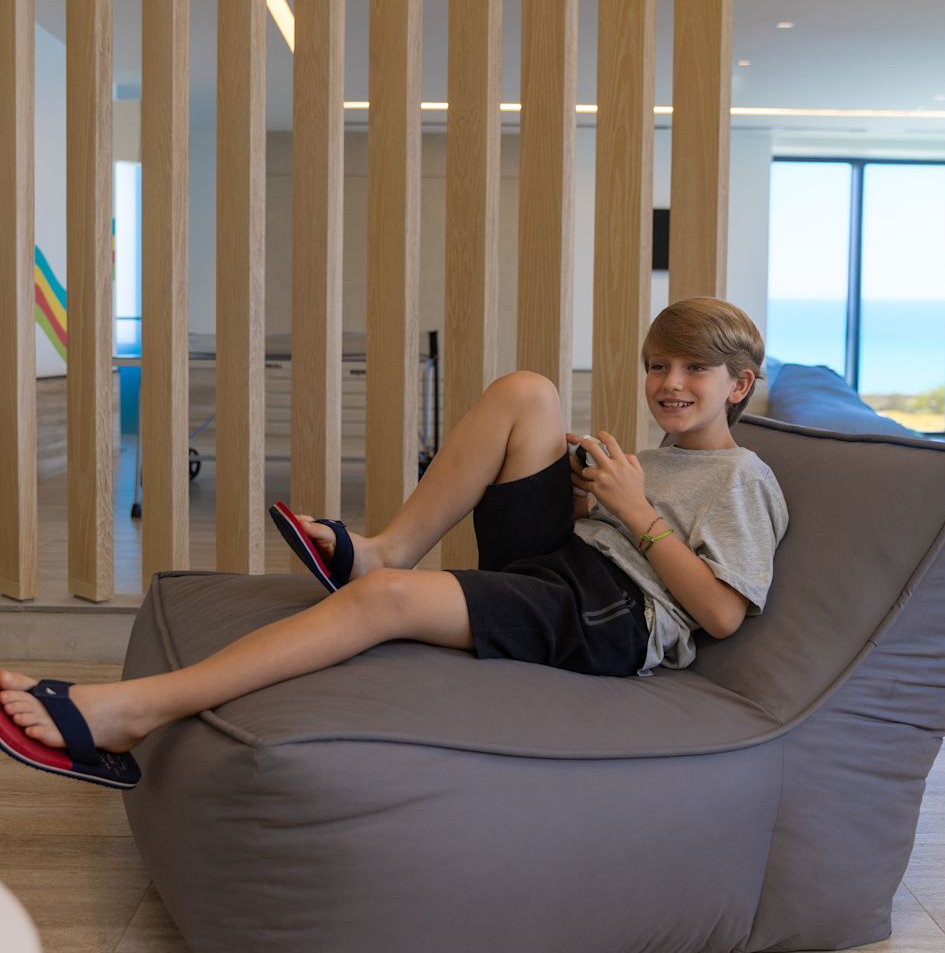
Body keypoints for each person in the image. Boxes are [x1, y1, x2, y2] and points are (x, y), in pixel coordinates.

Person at [0, 297, 788, 789]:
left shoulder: (743, 477)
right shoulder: (653, 459)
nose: (670, 382)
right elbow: (618, 515)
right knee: (528, 393)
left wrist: (637, 514)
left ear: (740, 384)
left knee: (384, 606)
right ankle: (385, 548)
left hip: (610, 616)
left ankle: (128, 714)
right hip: (569, 565)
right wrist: (596, 496)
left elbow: (720, 614)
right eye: (658, 365)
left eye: (695, 369)